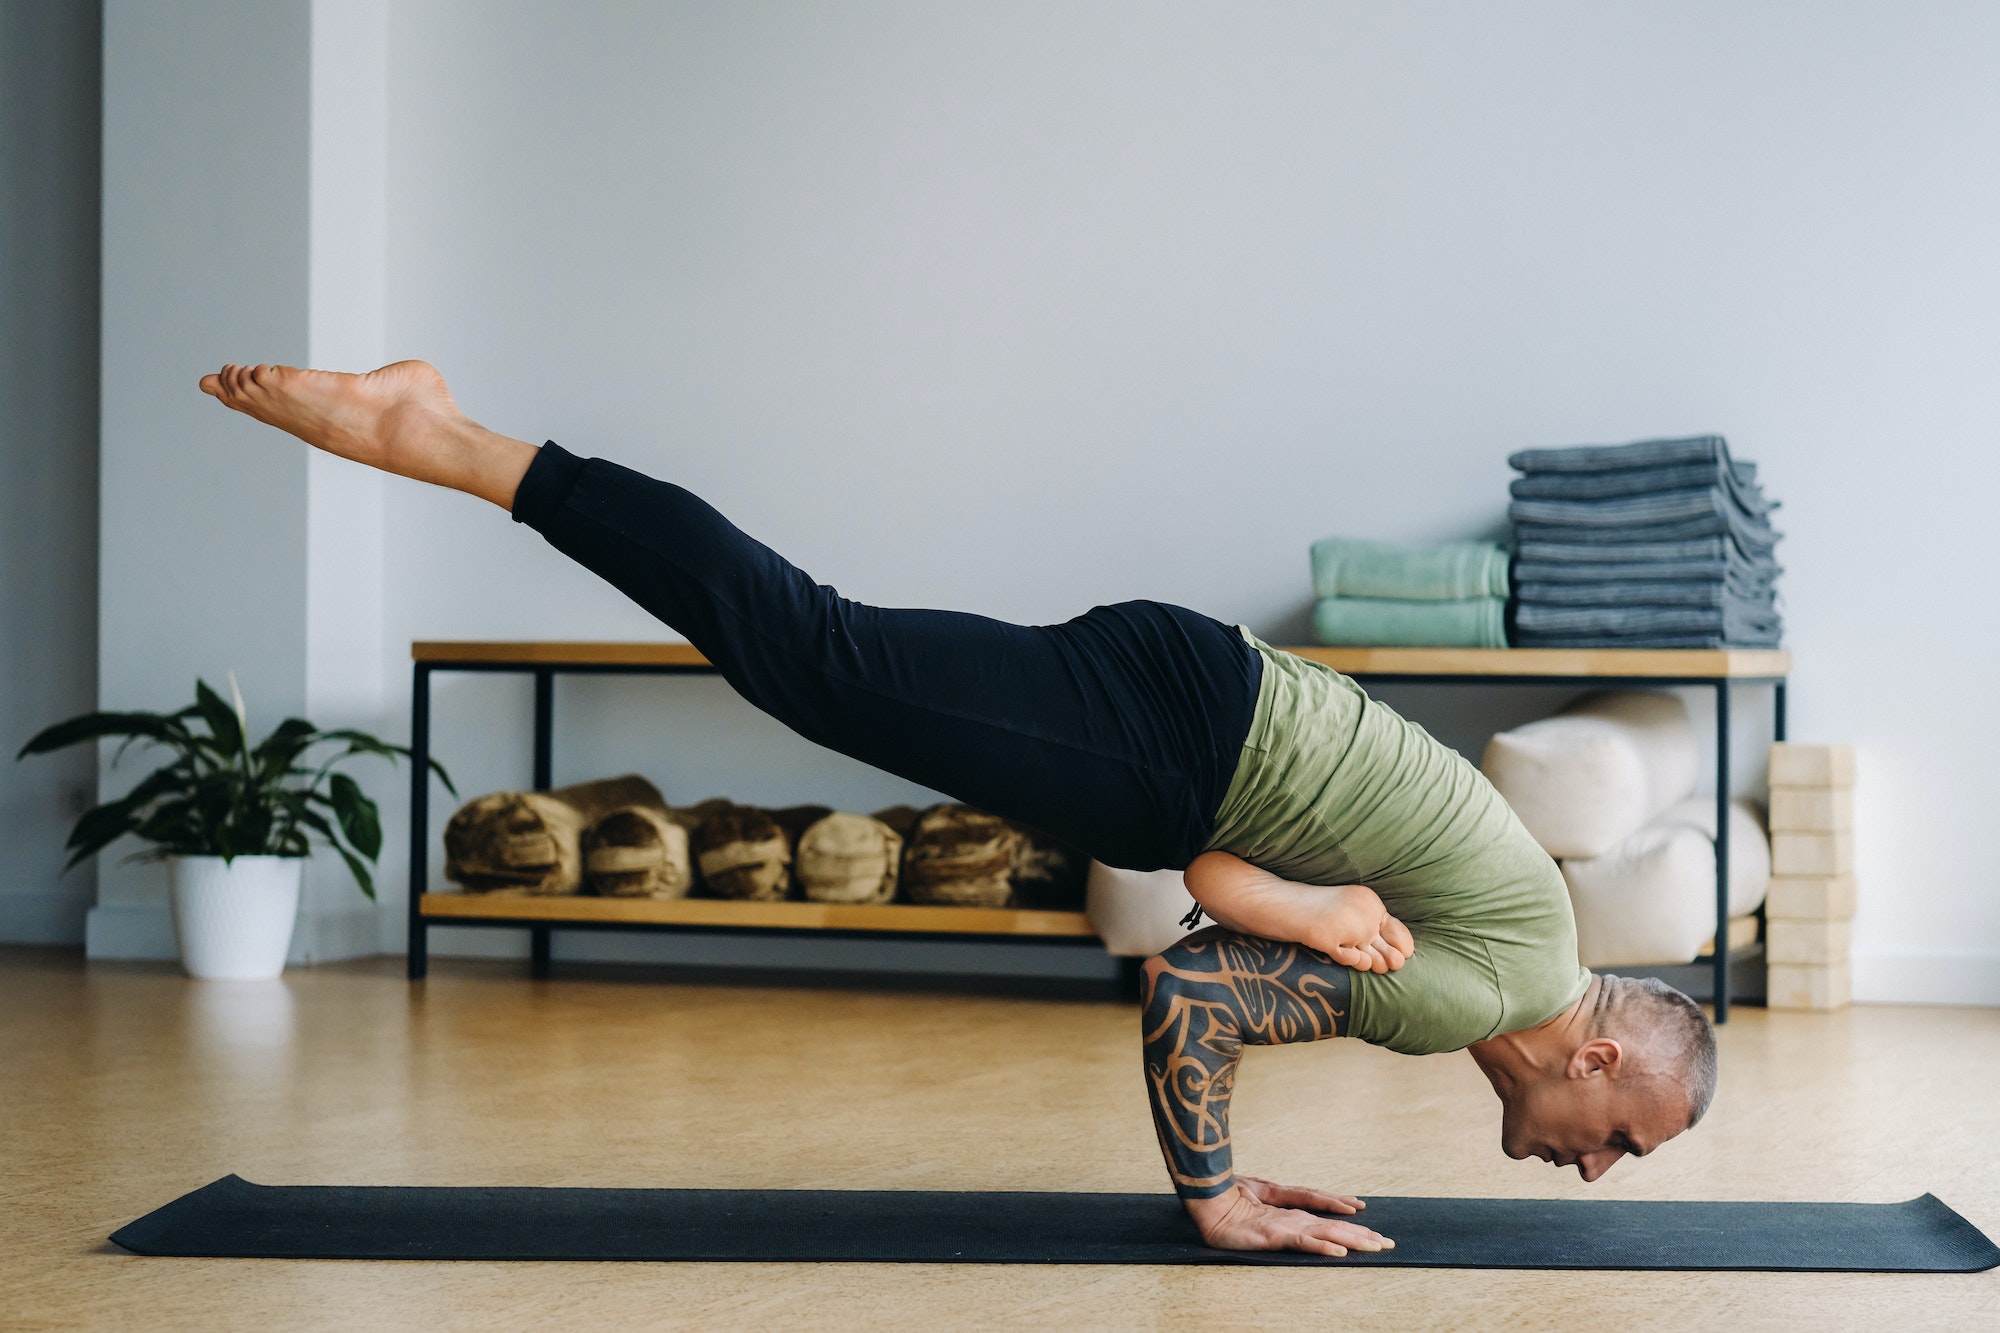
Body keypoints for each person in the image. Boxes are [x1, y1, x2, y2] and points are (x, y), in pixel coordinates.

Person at [199, 360, 1718, 1258]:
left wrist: (1283, 900)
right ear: (1593, 1056)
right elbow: (1194, 966)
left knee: (815, 654)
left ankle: (453, 437)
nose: (1594, 1166)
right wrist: (1214, 1195)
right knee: (806, 645)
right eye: (1620, 1140)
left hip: (1198, 701)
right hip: (1179, 735)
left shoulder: (1510, 956)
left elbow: (1232, 891)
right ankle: (441, 436)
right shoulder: (1485, 987)